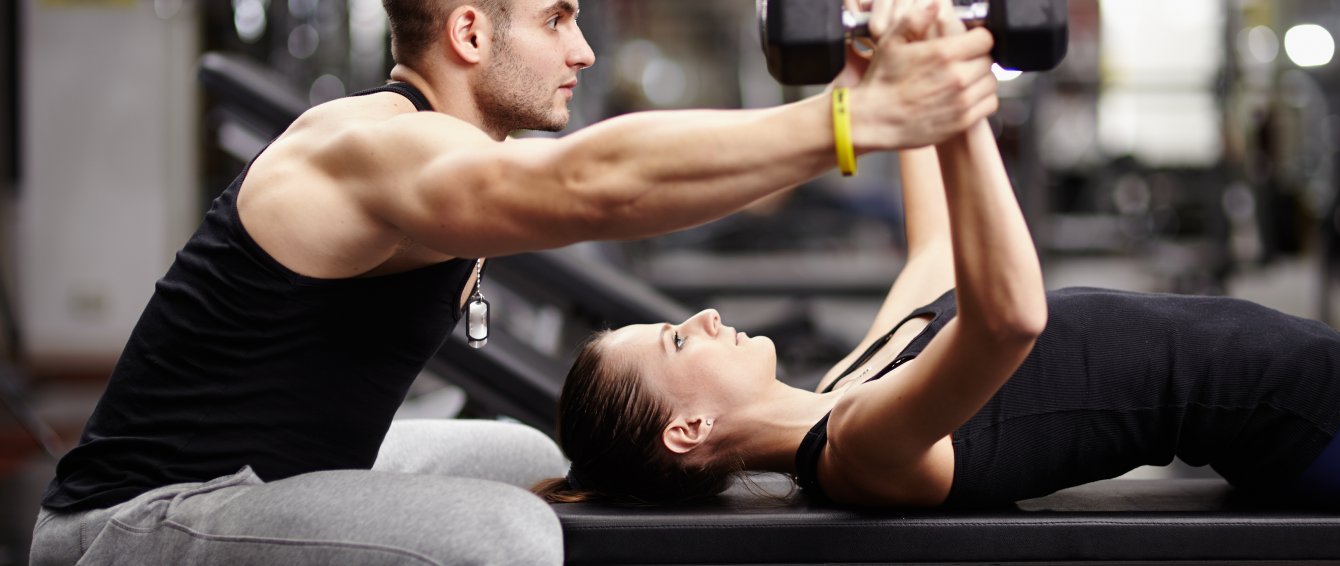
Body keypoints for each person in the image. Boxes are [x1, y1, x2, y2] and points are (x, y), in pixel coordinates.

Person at [30, 0, 999, 564]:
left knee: (516, 450)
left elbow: (644, 167)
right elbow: (592, 183)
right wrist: (850, 117)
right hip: (136, 522)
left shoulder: (431, 143)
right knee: (501, 532)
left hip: (269, 478)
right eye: (556, 18)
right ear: (467, 30)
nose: (581, 50)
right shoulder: (366, 148)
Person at [535, 8, 1340, 512]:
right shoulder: (855, 448)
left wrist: (872, 92)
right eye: (677, 340)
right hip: (1310, 418)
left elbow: (938, 246)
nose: (705, 317)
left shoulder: (847, 386)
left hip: (1303, 389)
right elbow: (1007, 319)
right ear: (689, 430)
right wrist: (956, 98)